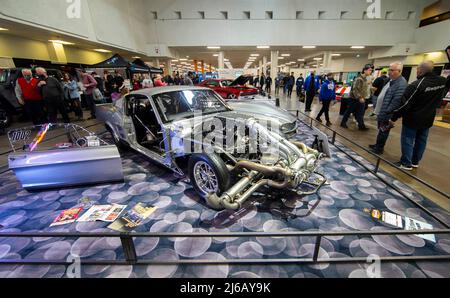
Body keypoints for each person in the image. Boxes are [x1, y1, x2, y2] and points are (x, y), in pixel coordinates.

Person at [391, 61, 448, 170]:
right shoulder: (442, 81)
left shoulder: (417, 85)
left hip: (413, 118)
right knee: (421, 141)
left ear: (420, 70)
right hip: (428, 117)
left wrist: (394, 117)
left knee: (408, 140)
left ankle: (406, 163)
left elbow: (405, 104)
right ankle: (415, 161)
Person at [368, 62, 408, 154]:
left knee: (384, 131)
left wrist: (389, 113)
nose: (390, 72)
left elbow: (396, 101)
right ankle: (377, 145)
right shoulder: (389, 80)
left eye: (392, 70)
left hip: (388, 112)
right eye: (389, 70)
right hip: (382, 110)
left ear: (399, 71)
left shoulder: (401, 83)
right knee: (380, 130)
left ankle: (379, 148)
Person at [340, 64, 373, 130]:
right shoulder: (359, 79)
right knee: (349, 111)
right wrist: (360, 97)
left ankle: (361, 126)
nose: (370, 72)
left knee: (360, 113)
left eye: (371, 70)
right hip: (354, 99)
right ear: (365, 70)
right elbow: (355, 89)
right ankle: (343, 123)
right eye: (369, 70)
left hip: (361, 98)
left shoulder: (364, 79)